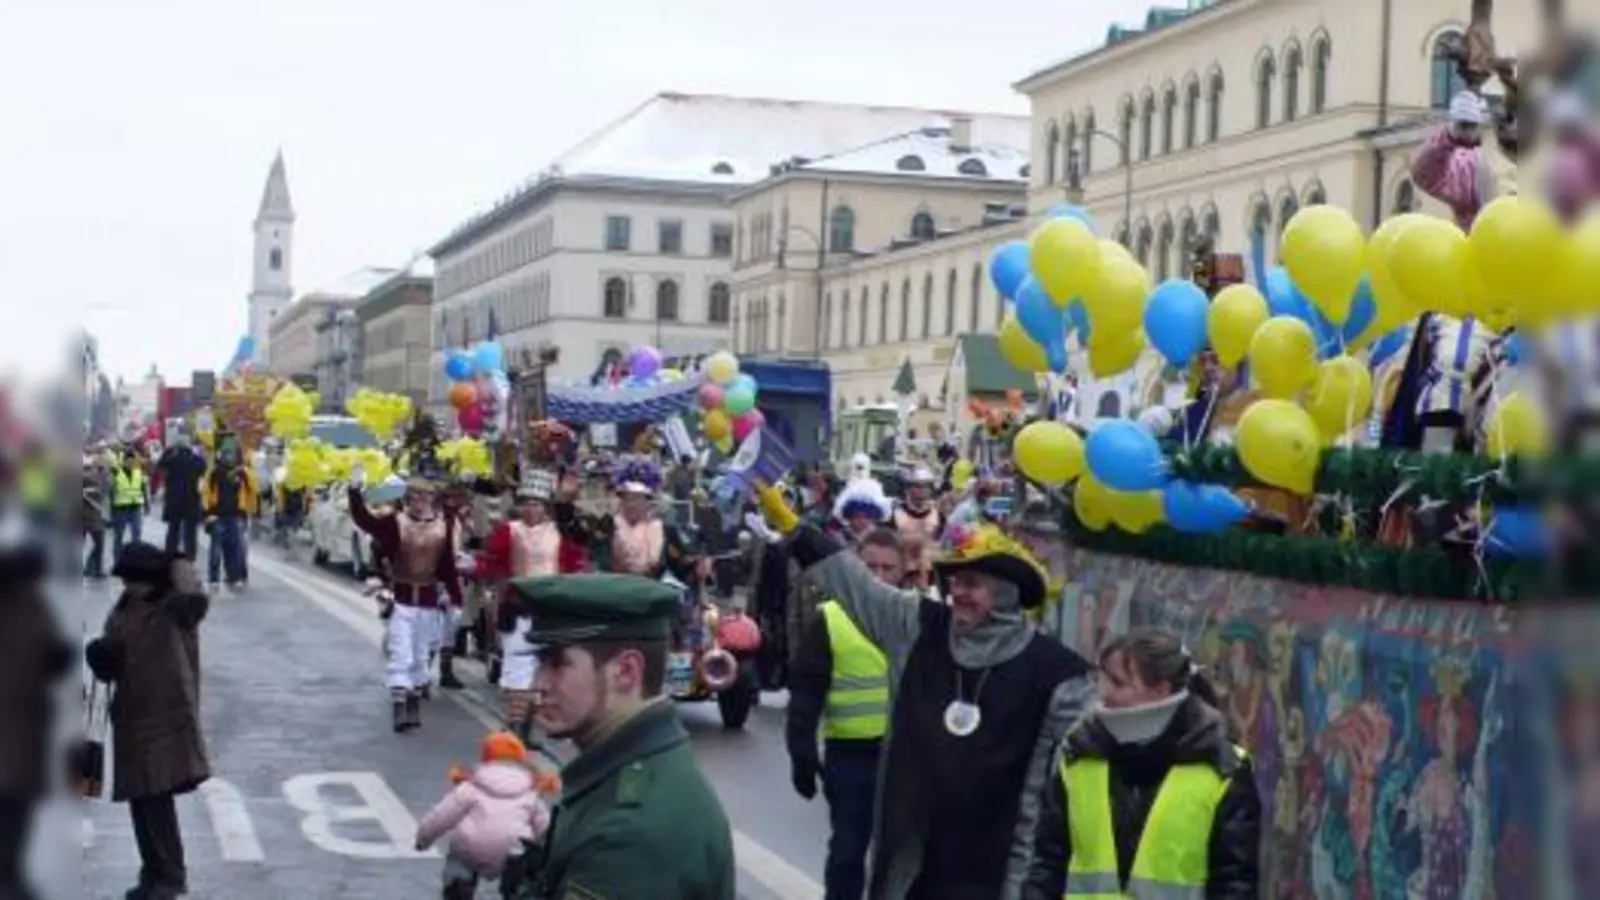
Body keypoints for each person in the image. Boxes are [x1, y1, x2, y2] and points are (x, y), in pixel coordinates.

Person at [759, 486, 1095, 900]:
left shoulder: (1057, 674)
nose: (957, 592)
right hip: (910, 859)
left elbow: (1068, 791)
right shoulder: (918, 627)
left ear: (1006, 594)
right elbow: (856, 587)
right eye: (954, 581)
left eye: (972, 584)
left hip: (995, 865)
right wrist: (796, 530)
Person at [509, 574, 735, 899]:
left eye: (558, 664)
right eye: (540, 662)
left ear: (626, 672)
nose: (538, 683)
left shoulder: (629, 832)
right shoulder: (636, 770)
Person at [1022, 630, 1262, 900]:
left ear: (1160, 689)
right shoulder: (1078, 756)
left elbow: (1234, 883)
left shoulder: (1222, 768)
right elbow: (1047, 864)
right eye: (1100, 678)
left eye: (1117, 682)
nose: (1102, 692)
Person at [83, 544, 210, 900]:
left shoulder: (174, 607)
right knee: (140, 799)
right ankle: (152, 873)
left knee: (156, 798)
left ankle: (171, 876)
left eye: (131, 579)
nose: (126, 585)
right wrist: (101, 655)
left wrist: (178, 561)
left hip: (167, 714)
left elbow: (194, 597)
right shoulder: (125, 608)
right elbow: (115, 654)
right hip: (131, 714)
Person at [787, 527, 908, 900]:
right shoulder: (832, 618)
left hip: (906, 758)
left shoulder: (914, 616)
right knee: (848, 853)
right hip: (851, 756)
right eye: (870, 567)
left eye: (888, 568)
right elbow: (806, 691)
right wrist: (801, 750)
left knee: (900, 857)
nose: (879, 577)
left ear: (903, 570)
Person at [349, 470, 464, 732]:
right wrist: (355, 491)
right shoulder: (395, 523)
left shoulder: (442, 525)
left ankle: (413, 705)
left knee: (421, 655)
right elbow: (364, 520)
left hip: (428, 602)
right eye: (414, 496)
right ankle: (399, 708)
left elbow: (447, 565)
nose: (419, 500)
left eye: (425, 496)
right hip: (402, 601)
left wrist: (456, 599)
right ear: (407, 499)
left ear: (432, 499)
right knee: (401, 652)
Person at [0, 520, 73, 900]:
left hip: (23, 722)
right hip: (18, 723)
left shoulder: (30, 604)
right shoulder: (29, 606)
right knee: (13, 803)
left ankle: (10, 873)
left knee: (14, 803)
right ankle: (8, 874)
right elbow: (52, 655)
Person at [477, 474, 572, 742]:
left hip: (549, 611)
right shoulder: (509, 530)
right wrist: (494, 582)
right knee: (518, 667)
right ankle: (516, 728)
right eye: (527, 503)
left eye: (538, 504)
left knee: (543, 672)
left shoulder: (558, 532)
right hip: (517, 609)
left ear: (546, 507)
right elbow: (491, 561)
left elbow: (571, 562)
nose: (532, 509)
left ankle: (528, 729)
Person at [415, 731, 554, 900]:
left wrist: (423, 839)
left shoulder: (472, 785)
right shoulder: (530, 791)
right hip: (513, 847)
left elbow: (443, 815)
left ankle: (458, 887)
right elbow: (544, 826)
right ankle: (514, 890)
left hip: (472, 845)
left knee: (460, 859)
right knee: (518, 870)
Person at [200, 444, 258, 590]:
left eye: (232, 456)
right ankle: (214, 579)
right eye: (226, 456)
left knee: (236, 548)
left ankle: (235, 577)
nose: (229, 459)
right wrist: (208, 513)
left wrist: (248, 512)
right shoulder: (215, 472)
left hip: (236, 516)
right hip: (217, 515)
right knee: (216, 550)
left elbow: (252, 492)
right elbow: (206, 493)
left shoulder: (243, 474)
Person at [156, 433, 207, 561]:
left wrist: (169, 451)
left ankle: (169, 555)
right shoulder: (195, 458)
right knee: (191, 532)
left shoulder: (171, 457)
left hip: (174, 499)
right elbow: (203, 468)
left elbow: (160, 465)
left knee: (173, 529)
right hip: (191, 499)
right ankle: (190, 557)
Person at [892, 466, 945, 589]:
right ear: (908, 488)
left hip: (930, 575)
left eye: (926, 486)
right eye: (917, 486)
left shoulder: (938, 515)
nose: (922, 490)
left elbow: (943, 544)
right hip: (902, 574)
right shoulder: (895, 513)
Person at [108, 448, 150, 562]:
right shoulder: (116, 472)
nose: (131, 463)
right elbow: (110, 493)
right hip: (121, 509)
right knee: (119, 537)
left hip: (136, 508)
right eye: (129, 461)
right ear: (124, 461)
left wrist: (147, 505)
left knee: (137, 536)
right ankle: (118, 562)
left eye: (133, 461)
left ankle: (135, 561)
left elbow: (143, 489)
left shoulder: (138, 472)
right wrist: (110, 513)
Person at [82, 457, 109, 578]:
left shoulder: (103, 480)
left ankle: (95, 570)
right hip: (85, 517)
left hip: (94, 517)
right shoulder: (86, 479)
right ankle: (94, 570)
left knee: (99, 545)